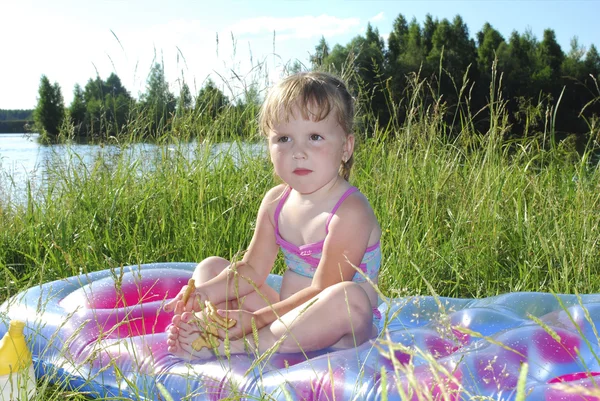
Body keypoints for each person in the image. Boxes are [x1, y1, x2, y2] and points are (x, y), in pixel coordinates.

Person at [165, 71, 382, 358]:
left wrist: (256, 321)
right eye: (283, 138)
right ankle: (209, 330)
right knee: (211, 269)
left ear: (346, 147)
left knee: (347, 297)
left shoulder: (350, 211)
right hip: (285, 316)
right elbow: (252, 270)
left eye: (314, 137)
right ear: (268, 146)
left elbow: (322, 289)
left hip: (341, 333)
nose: (298, 152)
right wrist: (204, 294)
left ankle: (243, 345)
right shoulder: (275, 202)